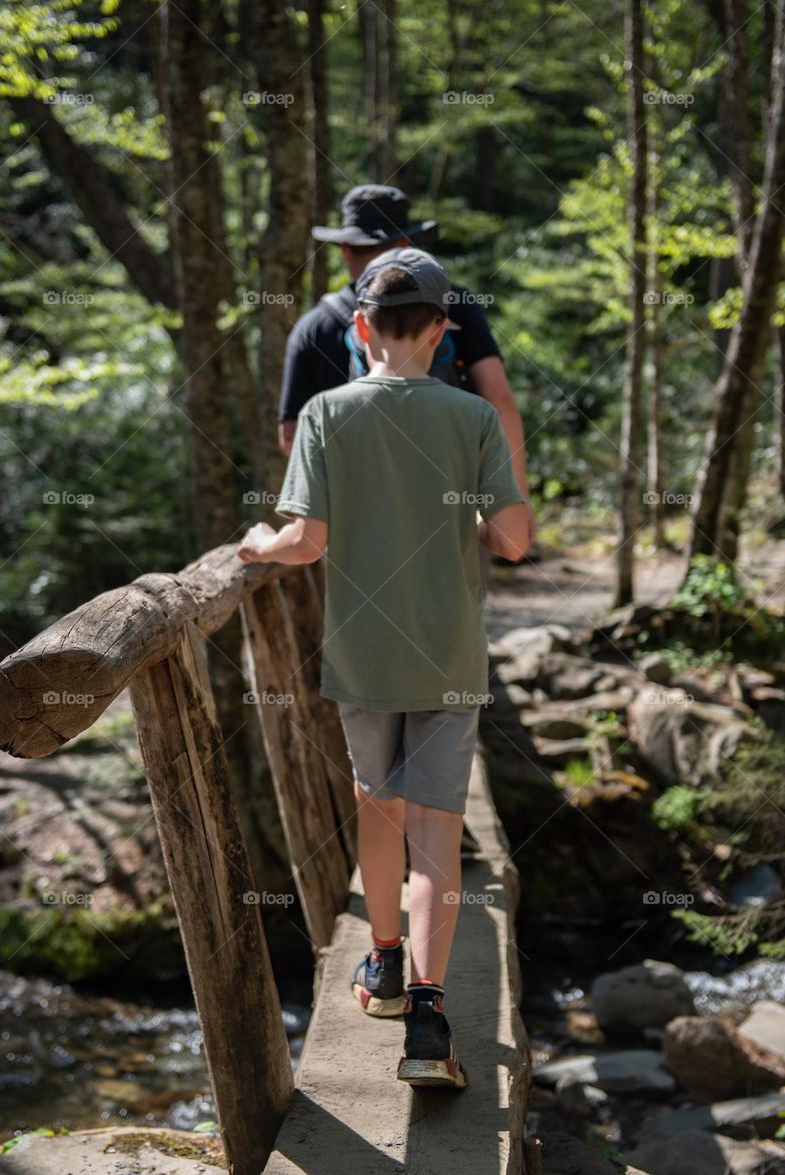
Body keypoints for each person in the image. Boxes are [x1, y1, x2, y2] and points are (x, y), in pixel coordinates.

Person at [238, 248, 529, 1089]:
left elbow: (306, 543)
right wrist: (469, 527)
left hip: (360, 651)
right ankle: (432, 1022)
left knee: (379, 806)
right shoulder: (470, 417)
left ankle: (385, 969)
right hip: (448, 652)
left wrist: (260, 541)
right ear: (442, 333)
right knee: (438, 822)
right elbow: (513, 540)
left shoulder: (327, 413)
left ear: (360, 326)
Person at [278, 183, 534, 539]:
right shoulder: (451, 303)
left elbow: (291, 437)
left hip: (357, 522)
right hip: (453, 510)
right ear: (406, 244)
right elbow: (498, 397)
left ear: (344, 250)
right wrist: (515, 496)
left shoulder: (314, 327)